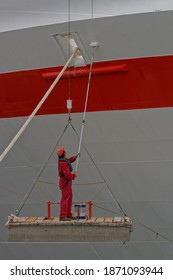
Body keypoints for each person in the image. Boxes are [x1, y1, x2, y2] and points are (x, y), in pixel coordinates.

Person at [57, 146, 79, 221]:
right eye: (65, 151)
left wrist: (74, 157)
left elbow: (68, 160)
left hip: (66, 182)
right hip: (65, 183)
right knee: (65, 199)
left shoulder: (62, 161)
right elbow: (67, 175)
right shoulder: (64, 163)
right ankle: (63, 216)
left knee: (69, 198)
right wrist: (74, 175)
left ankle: (68, 214)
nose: (66, 152)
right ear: (63, 154)